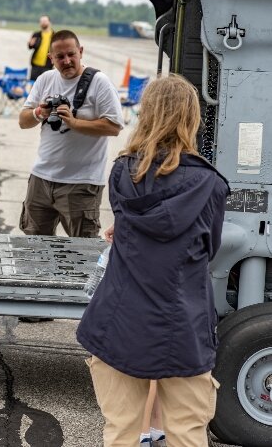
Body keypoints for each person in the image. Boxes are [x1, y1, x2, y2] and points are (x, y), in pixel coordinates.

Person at [76, 75, 230, 446]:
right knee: (187, 432)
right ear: (191, 118)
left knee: (121, 431)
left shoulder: (122, 173)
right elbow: (207, 250)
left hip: (119, 320)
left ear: (146, 115)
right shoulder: (210, 184)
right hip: (183, 326)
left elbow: (137, 224)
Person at [17, 29, 123, 238]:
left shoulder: (99, 82)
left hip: (81, 183)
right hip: (42, 178)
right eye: (60, 57)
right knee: (34, 247)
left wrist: (74, 122)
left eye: (71, 54)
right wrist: (40, 112)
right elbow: (23, 120)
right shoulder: (45, 80)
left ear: (80, 52)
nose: (66, 61)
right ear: (51, 58)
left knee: (82, 250)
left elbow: (114, 126)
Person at [27, 15, 54, 81]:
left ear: (49, 22)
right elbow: (30, 47)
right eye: (41, 21)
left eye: (45, 21)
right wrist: (30, 44)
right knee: (33, 84)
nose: (43, 23)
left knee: (46, 85)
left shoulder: (54, 35)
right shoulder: (36, 34)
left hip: (47, 65)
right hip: (35, 65)